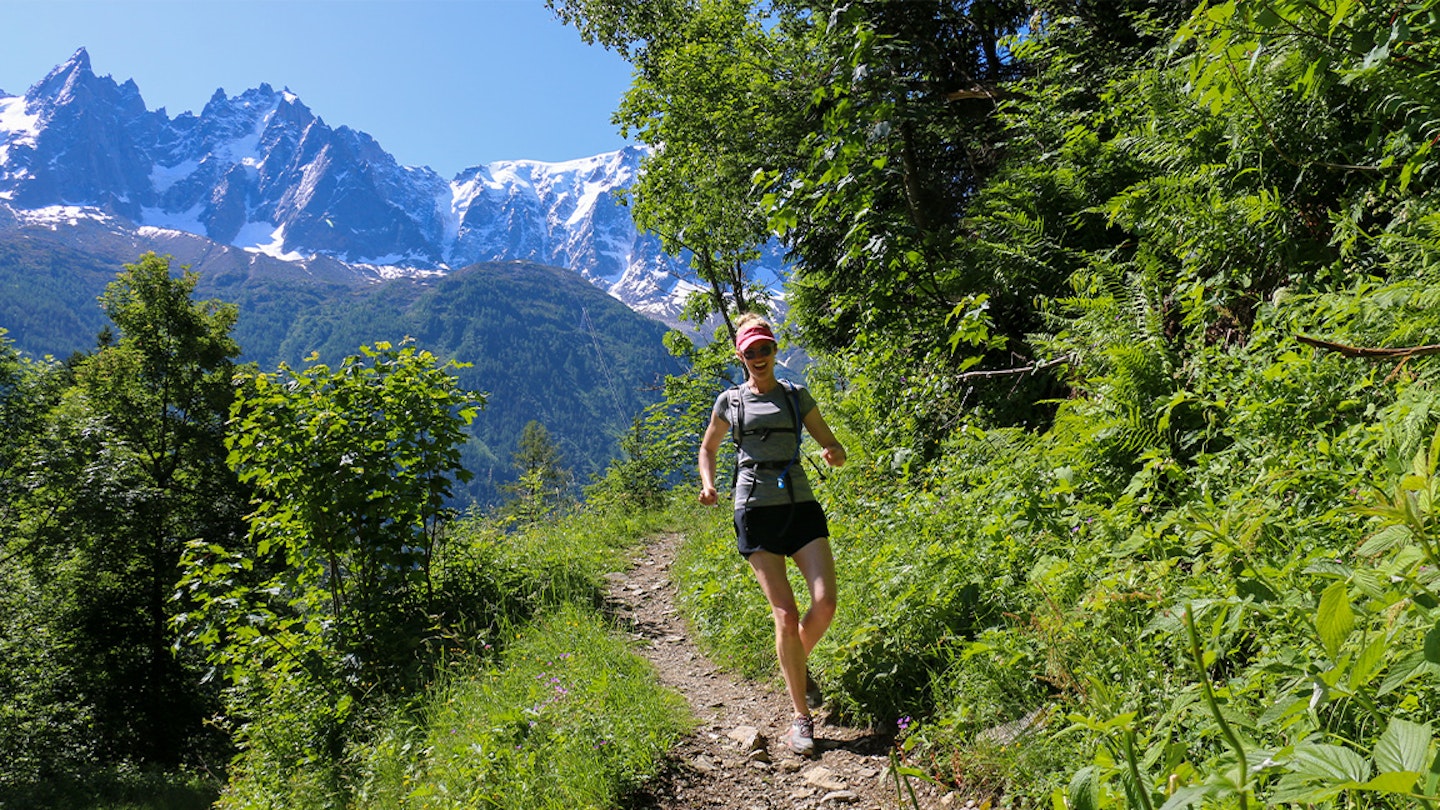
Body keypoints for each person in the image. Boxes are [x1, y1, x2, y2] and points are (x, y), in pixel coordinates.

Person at [697, 313, 847, 757]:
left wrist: (833, 454)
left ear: (775, 350)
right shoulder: (730, 402)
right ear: (740, 355)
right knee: (785, 613)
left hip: (800, 506)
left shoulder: (797, 397)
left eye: (766, 349)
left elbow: (832, 445)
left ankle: (795, 664)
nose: (760, 357)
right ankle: (802, 717)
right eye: (751, 351)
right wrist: (708, 484)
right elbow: (708, 447)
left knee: (826, 603)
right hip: (755, 510)